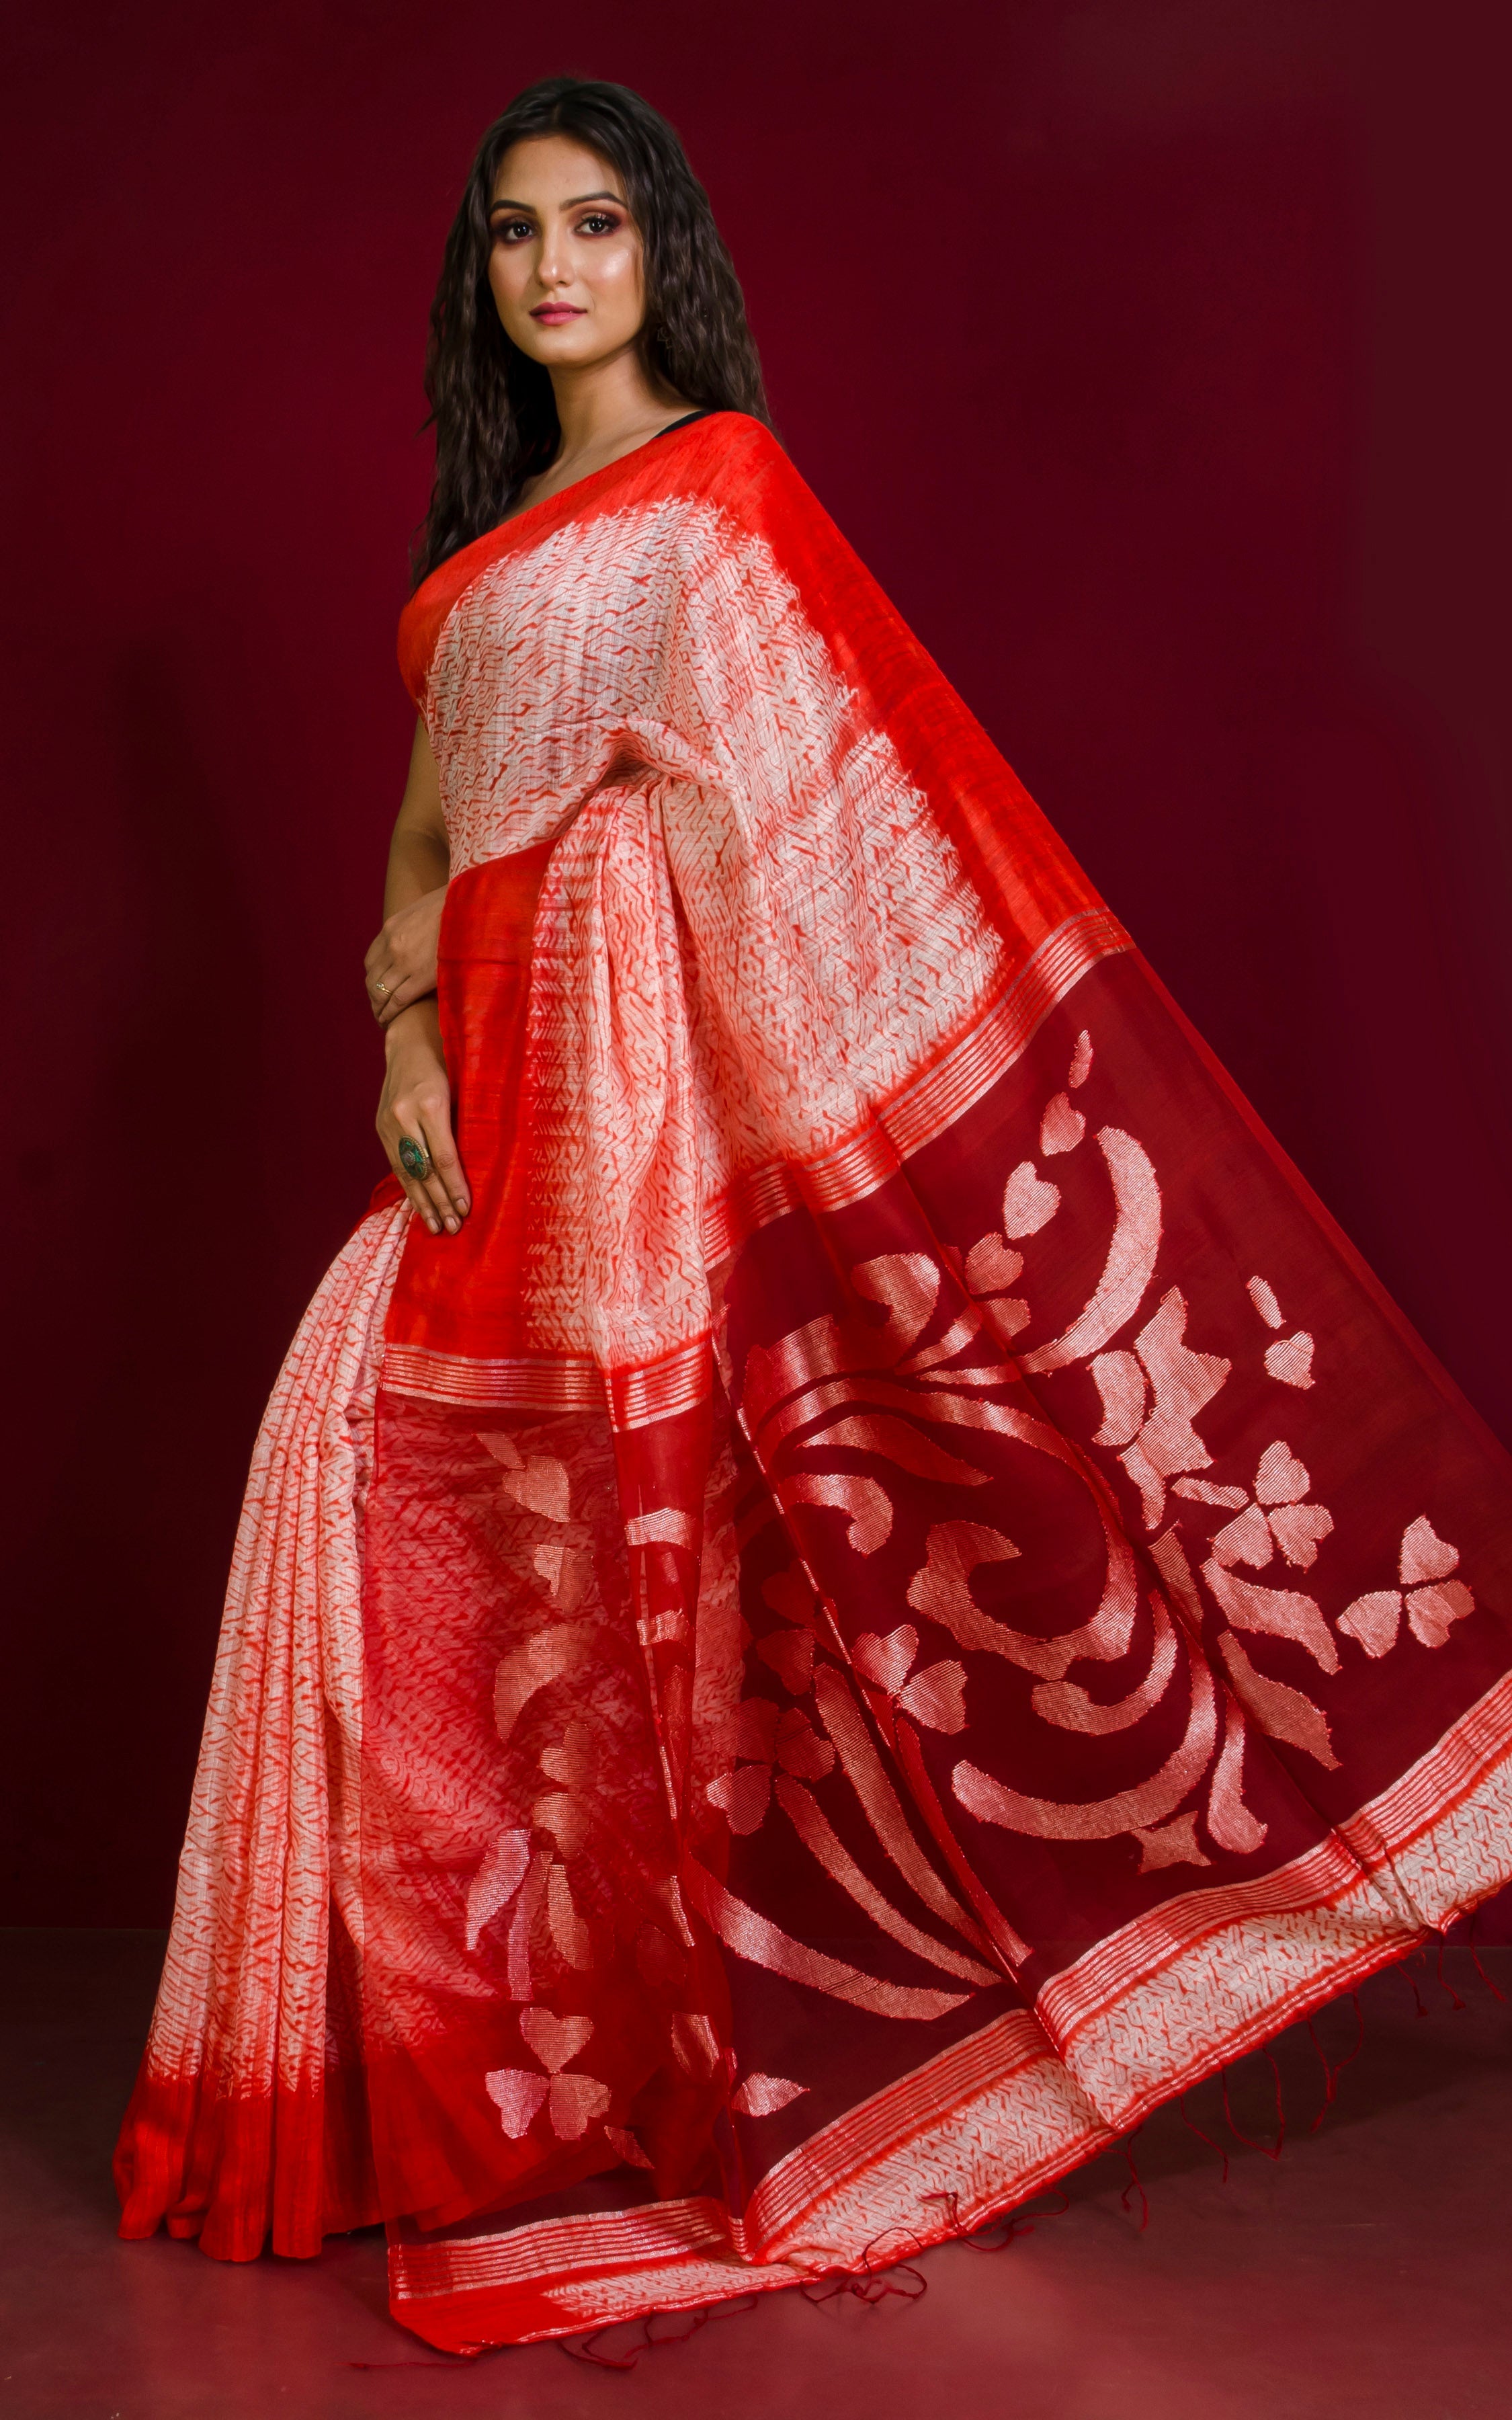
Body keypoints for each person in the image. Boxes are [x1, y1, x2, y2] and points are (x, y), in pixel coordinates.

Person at [114, 75, 1512, 2354]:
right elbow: (424, 848)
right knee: (383, 1508)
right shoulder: (472, 557)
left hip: (637, 1095)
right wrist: (401, 1039)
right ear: (479, 278)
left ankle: (667, 2081)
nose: (553, 268)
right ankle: (413, 2088)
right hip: (480, 1086)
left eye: (594, 223)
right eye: (513, 234)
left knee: (635, 1550)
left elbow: (814, 811)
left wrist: (668, 1019)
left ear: (658, 248)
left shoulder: (718, 489)